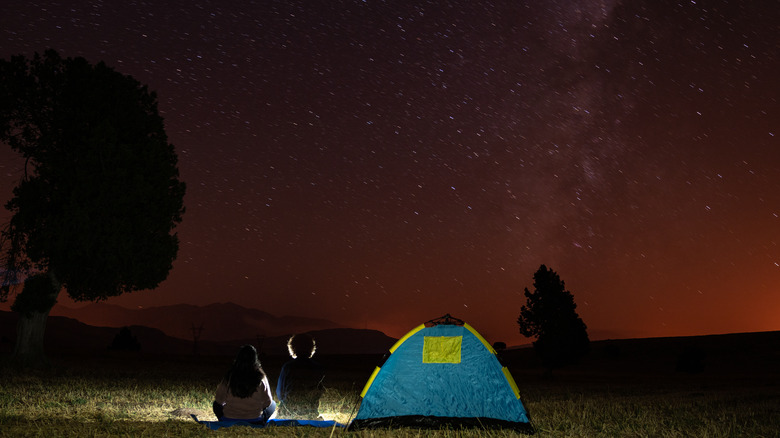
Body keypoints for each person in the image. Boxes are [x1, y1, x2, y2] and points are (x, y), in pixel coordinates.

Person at [213, 344, 276, 423]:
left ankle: (222, 421)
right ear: (255, 359)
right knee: (273, 404)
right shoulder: (260, 376)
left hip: (229, 418)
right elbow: (268, 402)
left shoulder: (230, 375)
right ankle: (262, 421)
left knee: (215, 404)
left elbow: (219, 400)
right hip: (254, 419)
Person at [275, 334, 326, 419]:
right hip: (310, 411)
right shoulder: (318, 367)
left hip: (289, 411)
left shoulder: (287, 367)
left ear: (293, 348)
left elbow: (280, 392)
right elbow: (320, 391)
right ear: (311, 348)